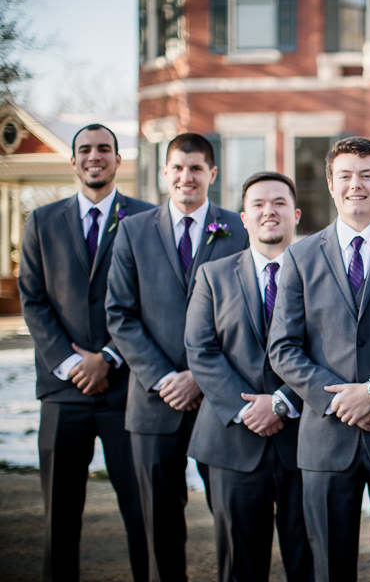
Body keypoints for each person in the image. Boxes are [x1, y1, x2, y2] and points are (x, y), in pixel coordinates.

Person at [268, 138, 370, 582]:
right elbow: (283, 348)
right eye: (346, 176)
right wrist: (337, 399)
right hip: (325, 437)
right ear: (331, 185)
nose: (357, 185)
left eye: (367, 175)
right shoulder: (299, 255)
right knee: (329, 566)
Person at [106, 133, 249, 582]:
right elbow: (120, 314)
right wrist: (164, 377)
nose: (186, 177)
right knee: (157, 527)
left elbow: (252, 317)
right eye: (178, 168)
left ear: (212, 174)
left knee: (234, 519)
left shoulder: (240, 229)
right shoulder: (132, 230)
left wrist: (200, 377)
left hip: (221, 401)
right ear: (165, 173)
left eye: (196, 168)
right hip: (153, 401)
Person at [19, 123, 153, 582]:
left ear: (118, 160)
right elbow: (33, 300)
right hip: (63, 392)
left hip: (127, 393)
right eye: (85, 150)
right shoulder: (41, 222)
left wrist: (111, 357)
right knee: (60, 519)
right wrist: (74, 362)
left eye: (104, 149)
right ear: (73, 161)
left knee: (143, 517)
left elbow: (157, 302)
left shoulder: (146, 219)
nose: (94, 156)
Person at [185, 171, 314, 582]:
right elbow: (200, 350)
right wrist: (246, 410)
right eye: (258, 204)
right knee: (240, 565)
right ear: (243, 218)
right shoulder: (213, 275)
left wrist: (282, 402)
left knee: (308, 560)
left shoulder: (319, 273)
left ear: (295, 214)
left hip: (304, 440)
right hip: (232, 442)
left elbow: (331, 350)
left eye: (278, 203)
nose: (268, 211)